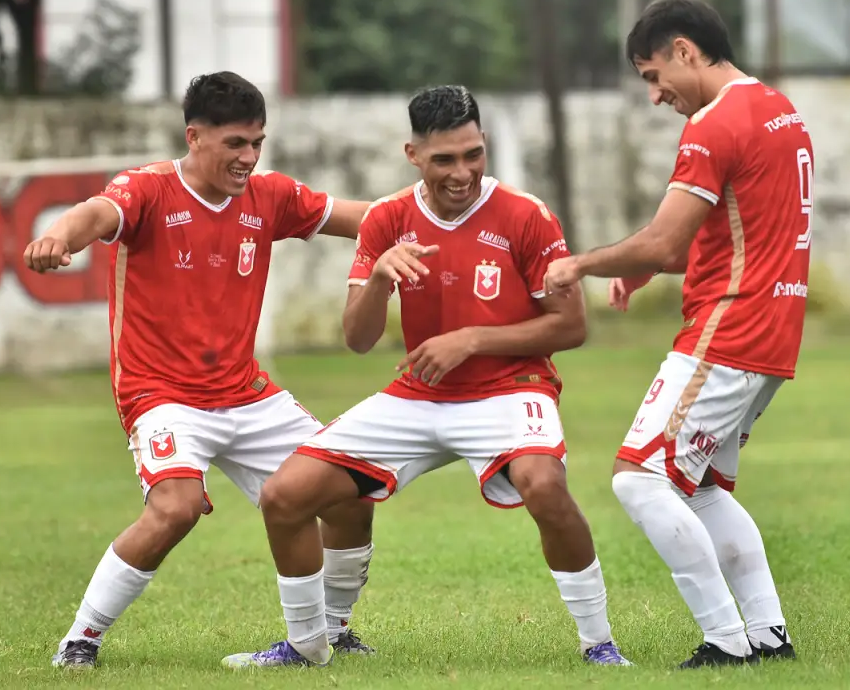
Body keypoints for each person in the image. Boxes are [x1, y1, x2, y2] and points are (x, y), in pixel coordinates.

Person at [220, 84, 631, 669]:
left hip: (512, 388)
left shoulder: (526, 215)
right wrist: (380, 280)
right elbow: (357, 340)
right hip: (419, 394)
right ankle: (312, 643)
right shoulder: (387, 218)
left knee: (543, 483)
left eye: (473, 154)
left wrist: (472, 340)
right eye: (445, 159)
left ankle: (600, 645)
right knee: (285, 495)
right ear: (413, 154)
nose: (462, 172)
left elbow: (570, 327)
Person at [23, 71, 379, 669]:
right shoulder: (149, 189)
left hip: (245, 393)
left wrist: (440, 216)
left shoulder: (270, 196)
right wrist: (58, 235)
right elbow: (95, 213)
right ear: (195, 137)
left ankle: (333, 631)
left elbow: (361, 216)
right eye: (235, 143)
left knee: (349, 492)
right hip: (160, 394)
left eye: (257, 142)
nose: (248, 157)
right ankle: (80, 641)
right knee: (176, 508)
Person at [543, 0, 812, 669]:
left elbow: (664, 239)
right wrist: (654, 268)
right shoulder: (779, 108)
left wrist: (580, 262)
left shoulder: (714, 126)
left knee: (639, 479)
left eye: (654, 75)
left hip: (730, 329)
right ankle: (769, 634)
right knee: (701, 487)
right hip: (775, 333)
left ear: (685, 51)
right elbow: (737, 233)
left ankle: (726, 640)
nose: (657, 95)